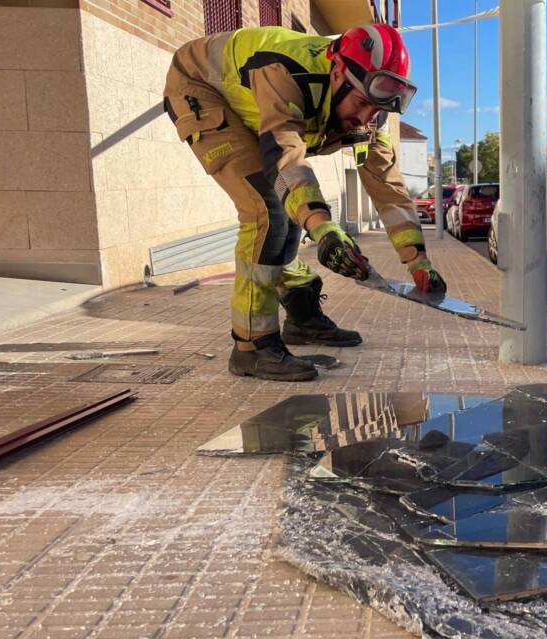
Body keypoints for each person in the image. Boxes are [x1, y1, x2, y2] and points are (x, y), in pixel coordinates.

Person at [164, 23, 446, 382]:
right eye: (360, 103)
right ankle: (251, 347)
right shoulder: (285, 71)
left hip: (249, 102)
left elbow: (388, 187)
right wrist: (324, 229)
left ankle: (302, 317)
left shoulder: (373, 116)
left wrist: (417, 261)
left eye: (376, 110)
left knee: (291, 209)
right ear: (338, 73)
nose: (365, 118)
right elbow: (287, 158)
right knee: (267, 212)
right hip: (200, 89)